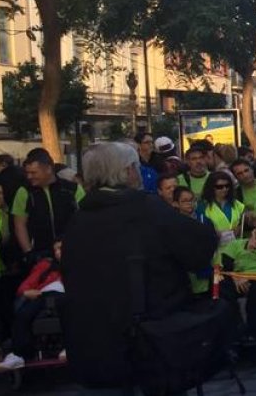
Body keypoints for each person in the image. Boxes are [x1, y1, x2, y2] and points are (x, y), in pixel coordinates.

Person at [62, 141, 220, 390]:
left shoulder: (78, 221)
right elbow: (197, 248)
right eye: (135, 166)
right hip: (150, 338)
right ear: (126, 171)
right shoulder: (147, 209)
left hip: (96, 340)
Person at [0, 240, 64, 370]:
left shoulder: (78, 265)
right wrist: (27, 292)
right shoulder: (46, 265)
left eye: (61, 249)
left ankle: (71, 346)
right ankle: (19, 355)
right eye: (55, 249)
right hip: (42, 295)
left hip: (66, 296)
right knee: (23, 315)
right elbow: (25, 286)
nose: (58, 252)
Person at [11, 148, 85, 263]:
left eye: (34, 173)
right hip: (39, 253)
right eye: (27, 173)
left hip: (71, 249)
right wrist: (28, 252)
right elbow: (19, 225)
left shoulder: (72, 189)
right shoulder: (24, 191)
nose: (29, 177)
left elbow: (84, 218)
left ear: (48, 169)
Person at [198, 169, 245, 249]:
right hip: (214, 249)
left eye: (227, 186)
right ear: (211, 187)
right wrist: (213, 233)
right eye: (219, 187)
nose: (224, 189)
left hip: (236, 248)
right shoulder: (203, 206)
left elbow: (243, 223)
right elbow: (200, 229)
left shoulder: (237, 204)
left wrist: (240, 228)